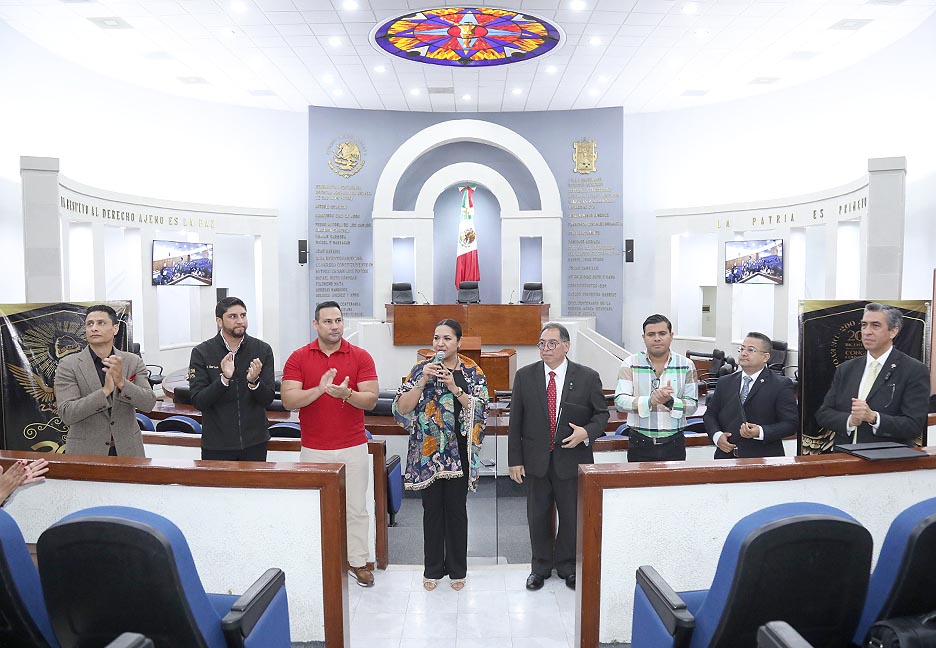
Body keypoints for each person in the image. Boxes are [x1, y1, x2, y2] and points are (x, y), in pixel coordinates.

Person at [281, 301, 379, 587]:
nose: (335, 326)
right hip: (314, 448)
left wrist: (346, 394)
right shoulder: (298, 357)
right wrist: (320, 389)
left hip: (353, 446)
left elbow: (371, 400)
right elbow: (288, 400)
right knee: (316, 508)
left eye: (338, 321)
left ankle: (358, 562)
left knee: (356, 508)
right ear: (315, 324)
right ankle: (319, 561)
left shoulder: (360, 356)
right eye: (328, 321)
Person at [508, 322, 609, 591]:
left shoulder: (587, 377)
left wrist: (586, 433)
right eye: (542, 344)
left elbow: (602, 416)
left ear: (566, 345)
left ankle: (568, 566)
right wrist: (514, 460)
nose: (546, 349)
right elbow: (515, 421)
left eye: (552, 343)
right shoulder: (525, 376)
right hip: (535, 461)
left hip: (572, 460)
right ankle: (540, 568)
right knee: (537, 516)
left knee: (572, 516)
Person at [392, 319, 489, 592]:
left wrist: (454, 388)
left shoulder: (471, 370)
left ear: (458, 342)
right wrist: (423, 380)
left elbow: (481, 409)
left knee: (456, 511)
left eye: (447, 338)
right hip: (428, 452)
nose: (440, 343)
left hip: (459, 451)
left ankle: (458, 570)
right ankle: (432, 569)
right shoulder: (420, 369)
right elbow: (402, 408)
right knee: (431, 511)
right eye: (436, 338)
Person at [816, 302, 929, 446]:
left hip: (884, 457)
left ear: (893, 332)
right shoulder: (846, 369)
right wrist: (850, 420)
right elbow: (823, 414)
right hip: (844, 455)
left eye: (875, 325)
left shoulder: (913, 370)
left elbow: (914, 426)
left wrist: (874, 418)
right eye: (864, 325)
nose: (867, 331)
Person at [55, 305, 156, 457]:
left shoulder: (133, 361)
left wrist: (121, 383)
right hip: (86, 453)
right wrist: (105, 391)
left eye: (101, 323)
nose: (94, 328)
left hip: (129, 450)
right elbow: (67, 414)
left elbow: (148, 403)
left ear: (115, 329)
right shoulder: (68, 365)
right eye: (89, 324)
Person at [188, 297, 276, 461]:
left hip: (255, 443)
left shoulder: (262, 349)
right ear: (219, 321)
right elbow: (199, 401)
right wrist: (224, 380)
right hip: (216, 445)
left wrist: (254, 382)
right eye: (233, 316)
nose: (240, 321)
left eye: (243, 315)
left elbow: (268, 399)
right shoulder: (202, 352)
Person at [614, 314, 698, 462]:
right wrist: (650, 401)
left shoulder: (686, 365)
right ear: (644, 337)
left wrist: (669, 402)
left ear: (671, 336)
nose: (657, 338)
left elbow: (692, 405)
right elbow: (620, 402)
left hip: (674, 444)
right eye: (651, 334)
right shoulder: (630, 363)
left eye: (662, 333)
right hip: (640, 444)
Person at [703, 332, 798, 458]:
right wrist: (717, 436)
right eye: (742, 349)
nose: (744, 353)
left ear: (765, 357)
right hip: (725, 457)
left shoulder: (780, 385)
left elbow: (791, 424)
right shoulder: (725, 382)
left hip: (763, 459)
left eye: (751, 350)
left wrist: (761, 431)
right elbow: (710, 415)